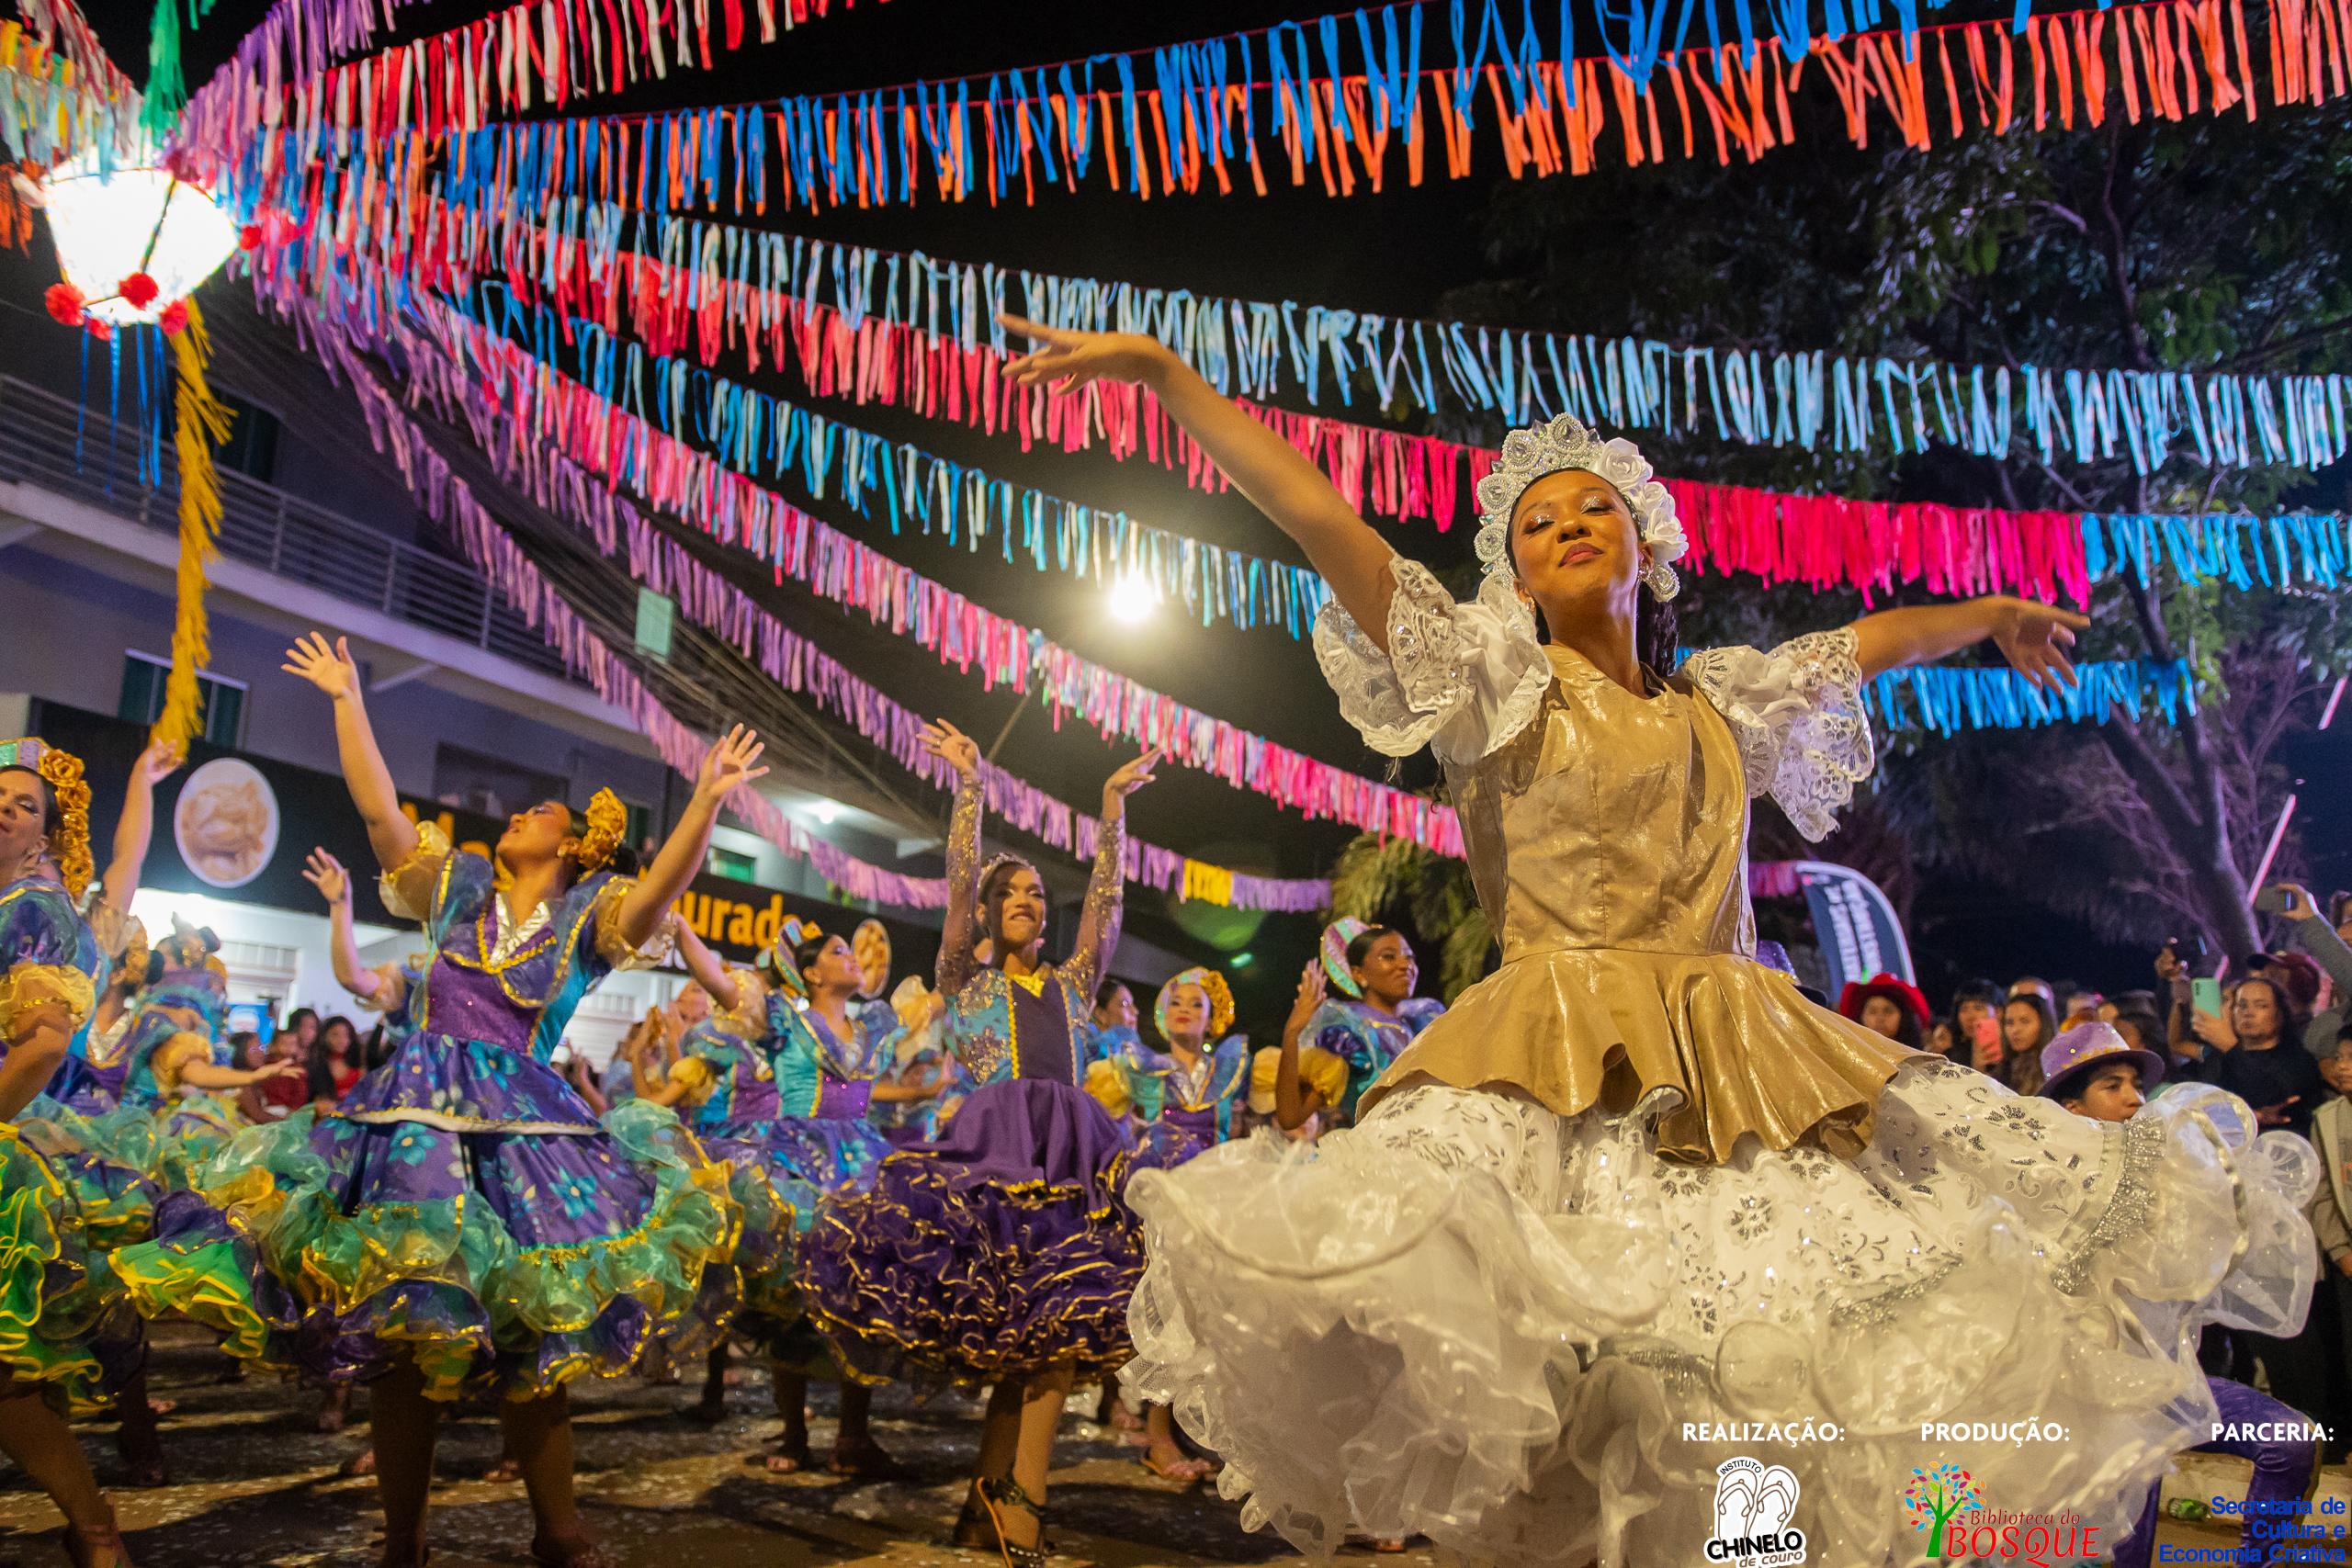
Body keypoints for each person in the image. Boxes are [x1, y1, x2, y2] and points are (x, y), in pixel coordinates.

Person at [1002, 319, 2316, 1565]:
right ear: (1515, 575)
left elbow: (1862, 646)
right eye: (1538, 522)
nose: (1570, 525)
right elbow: (1322, 519)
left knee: (1756, 1381)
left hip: (1744, 1070)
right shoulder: (1491, 681)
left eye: (1595, 509)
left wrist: (1987, 614)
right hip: (1550, 1075)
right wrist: (1167, 376)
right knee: (1575, 1404)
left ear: (1646, 545)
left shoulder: (1723, 701)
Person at [112, 632, 762, 1568]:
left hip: (523, 1143)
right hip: (413, 1132)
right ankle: (404, 1542)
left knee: (533, 1341)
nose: (522, 813)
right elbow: (381, 814)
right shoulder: (458, 891)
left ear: (571, 849)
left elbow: (662, 889)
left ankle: (560, 1535)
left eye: (542, 811)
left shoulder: (587, 919)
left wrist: (705, 798)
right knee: (403, 1335)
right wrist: (348, 699)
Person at [798, 719, 1159, 1567]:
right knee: (1044, 1340)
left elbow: (1106, 907)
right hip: (998, 1157)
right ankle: (1018, 1507)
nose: (1028, 900)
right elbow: (960, 889)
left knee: (1046, 1337)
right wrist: (971, 788)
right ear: (994, 914)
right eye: (1013, 893)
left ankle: (983, 1507)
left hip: (1071, 1159)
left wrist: (1111, 809)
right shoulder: (966, 978)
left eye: (1036, 892)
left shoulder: (1073, 983)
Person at [2035, 1022, 2324, 1568]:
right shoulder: (2041, 1191)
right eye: (2113, 1086)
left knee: (2289, 1441)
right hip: (2086, 1405)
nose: (2134, 1098)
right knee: (2121, 1543)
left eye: (2136, 1085)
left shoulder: (2169, 1180)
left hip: (2165, 1386)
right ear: (2072, 1108)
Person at [658, 916, 932, 1476]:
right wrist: (679, 926)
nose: (852, 956)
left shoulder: (873, 1025)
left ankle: (853, 1437)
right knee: (792, 1301)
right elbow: (720, 983)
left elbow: (875, 1079)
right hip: (797, 1162)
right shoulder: (782, 1018)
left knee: (861, 1298)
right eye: (838, 949)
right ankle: (794, 1435)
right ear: (811, 973)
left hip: (861, 1164)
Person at [0, 736, 139, 1566]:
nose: (4, 807)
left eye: (23, 804)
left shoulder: (34, 908)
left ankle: (94, 1523)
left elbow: (46, 1044)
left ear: (44, 835)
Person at [1092, 966, 1250, 1483]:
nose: (1184, 1010)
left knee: (1208, 1318)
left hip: (1215, 1200)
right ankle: (1156, 1434)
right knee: (1167, 1311)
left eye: (1196, 1004)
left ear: (1213, 1018)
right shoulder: (1143, 1066)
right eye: (1176, 1001)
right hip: (1161, 1200)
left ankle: (1189, 1431)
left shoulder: (1229, 1068)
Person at [1259, 919, 1442, 1132]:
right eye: (1389, 957)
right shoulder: (1348, 1031)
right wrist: (1291, 1034)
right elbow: (1290, 1118)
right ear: (1358, 973)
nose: (1405, 965)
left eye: (1409, 957)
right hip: (1383, 1149)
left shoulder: (1424, 1022)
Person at [1836, 973, 1929, 1051]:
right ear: (1861, 1017)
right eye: (1872, 1011)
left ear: (1904, 1017)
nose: (1880, 1018)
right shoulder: (1847, 1057)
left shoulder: (1920, 1061)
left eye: (1888, 1011)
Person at [1999, 991, 2058, 1095]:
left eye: (2025, 1021)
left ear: (2043, 1024)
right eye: (2009, 1023)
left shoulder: (2057, 1069)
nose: (2015, 1030)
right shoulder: (2002, 1071)